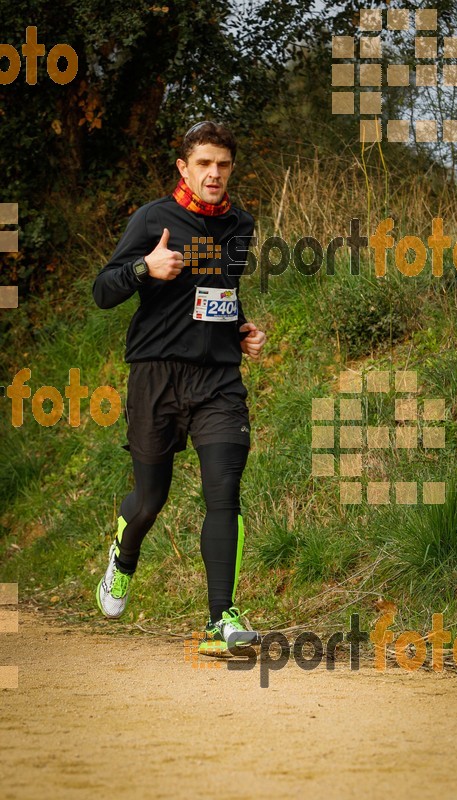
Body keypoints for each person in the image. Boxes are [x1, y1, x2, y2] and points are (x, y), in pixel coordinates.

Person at [92, 120, 266, 657]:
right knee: (150, 499)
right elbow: (103, 290)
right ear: (184, 168)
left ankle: (222, 619)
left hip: (217, 378)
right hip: (156, 373)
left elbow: (219, 293)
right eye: (204, 163)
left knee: (224, 488)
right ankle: (123, 559)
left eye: (224, 165)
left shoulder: (240, 225)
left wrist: (241, 328)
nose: (215, 174)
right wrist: (146, 267)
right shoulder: (153, 218)